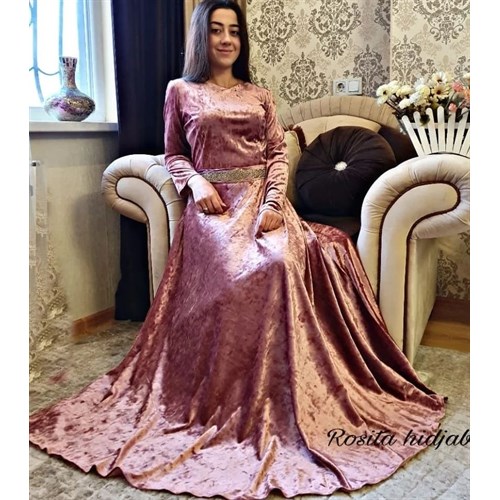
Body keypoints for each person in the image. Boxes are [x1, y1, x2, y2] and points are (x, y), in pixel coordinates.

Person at [29, 1, 446, 498]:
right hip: (212, 209)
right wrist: (194, 183)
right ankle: (232, 395)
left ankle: (281, 395)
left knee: (281, 262)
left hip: (263, 203)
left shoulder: (259, 95)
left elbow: (276, 155)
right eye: (216, 30)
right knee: (242, 270)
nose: (227, 39)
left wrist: (272, 203)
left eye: (234, 31)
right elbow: (174, 152)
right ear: (201, 37)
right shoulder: (180, 91)